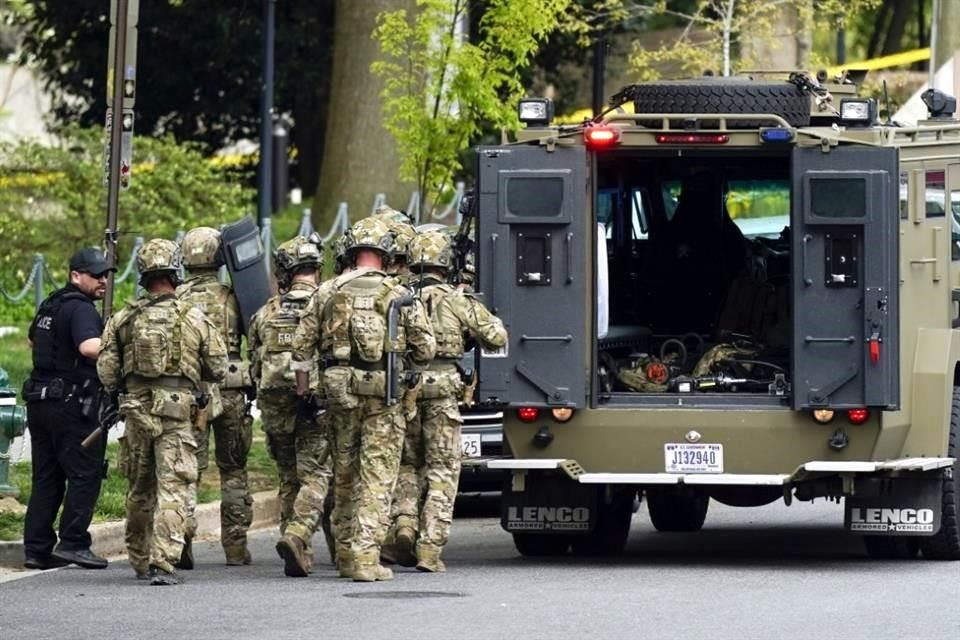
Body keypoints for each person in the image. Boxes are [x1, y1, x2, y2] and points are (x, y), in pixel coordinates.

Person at [291, 217, 436, 582]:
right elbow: (426, 346)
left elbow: (300, 348)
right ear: (386, 253)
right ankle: (366, 560)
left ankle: (343, 555)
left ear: (352, 252)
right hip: (384, 395)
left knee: (344, 472)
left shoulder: (326, 291)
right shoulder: (400, 294)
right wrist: (409, 369)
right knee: (378, 476)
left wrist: (305, 388)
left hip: (339, 392)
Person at [98, 238, 227, 585]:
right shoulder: (193, 317)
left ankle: (138, 558)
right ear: (175, 271)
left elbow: (107, 372)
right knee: (175, 486)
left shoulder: (124, 318)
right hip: (177, 413)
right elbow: (218, 367)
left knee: (139, 488)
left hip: (136, 412)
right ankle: (163, 560)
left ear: (143, 274)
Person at [398, 230, 506, 572]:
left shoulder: (398, 296)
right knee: (443, 470)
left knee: (406, 466)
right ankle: (430, 549)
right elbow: (496, 336)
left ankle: (402, 525)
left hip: (406, 391)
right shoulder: (457, 300)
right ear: (447, 263)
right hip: (444, 392)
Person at [21, 248, 115, 570]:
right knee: (84, 474)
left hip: (40, 401)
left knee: (46, 477)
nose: (103, 280)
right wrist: (120, 344)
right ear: (76, 276)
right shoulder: (81, 308)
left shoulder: (51, 304)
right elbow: (89, 347)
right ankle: (73, 543)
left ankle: (36, 549)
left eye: (105, 274)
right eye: (96, 275)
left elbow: (33, 342)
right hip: (73, 405)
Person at [248, 236, 333, 577]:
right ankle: (299, 535)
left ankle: (296, 547)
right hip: (315, 404)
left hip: (274, 406)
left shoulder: (265, 313)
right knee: (318, 474)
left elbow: (254, 359)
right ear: (316, 268)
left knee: (288, 477)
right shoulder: (328, 306)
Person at [177, 226, 254, 566]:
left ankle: (181, 539)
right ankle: (235, 548)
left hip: (193, 393)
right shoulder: (233, 296)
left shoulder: (175, 299)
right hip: (233, 389)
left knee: (187, 469)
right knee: (233, 469)